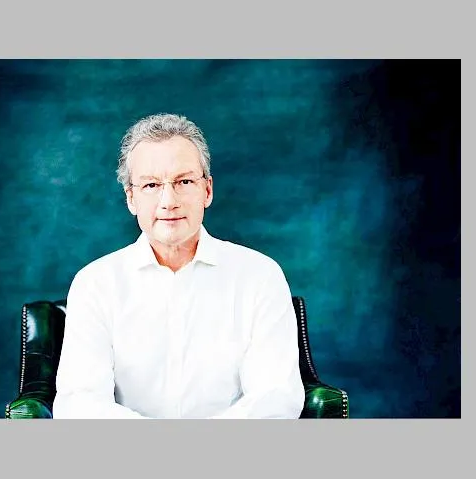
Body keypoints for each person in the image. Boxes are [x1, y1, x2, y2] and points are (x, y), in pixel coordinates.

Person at [53, 113, 304, 419]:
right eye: (151, 185)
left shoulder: (260, 276)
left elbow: (277, 397)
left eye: (184, 182)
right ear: (131, 198)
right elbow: (80, 403)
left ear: (207, 190)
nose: (168, 201)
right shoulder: (95, 284)